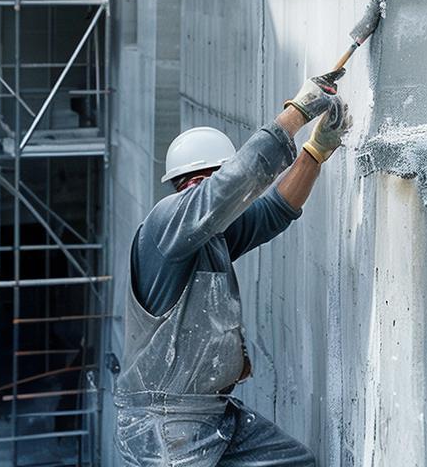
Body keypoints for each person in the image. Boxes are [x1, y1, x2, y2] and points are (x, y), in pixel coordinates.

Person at [113, 71, 351, 466]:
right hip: (163, 424)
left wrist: (315, 151)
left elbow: (276, 210)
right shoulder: (166, 223)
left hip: (213, 413)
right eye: (222, 178)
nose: (237, 196)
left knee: (294, 462)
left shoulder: (212, 235)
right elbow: (236, 183)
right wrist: (297, 112)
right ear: (197, 182)